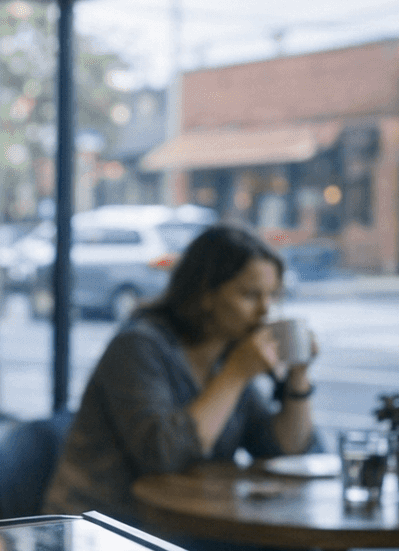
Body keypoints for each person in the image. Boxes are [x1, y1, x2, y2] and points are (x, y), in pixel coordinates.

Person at [45, 223, 316, 522]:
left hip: (186, 524)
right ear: (205, 295)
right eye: (250, 295)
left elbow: (282, 449)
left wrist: (297, 374)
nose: (266, 311)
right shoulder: (139, 347)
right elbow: (163, 456)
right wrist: (236, 374)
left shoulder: (224, 355)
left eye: (273, 296)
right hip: (104, 528)